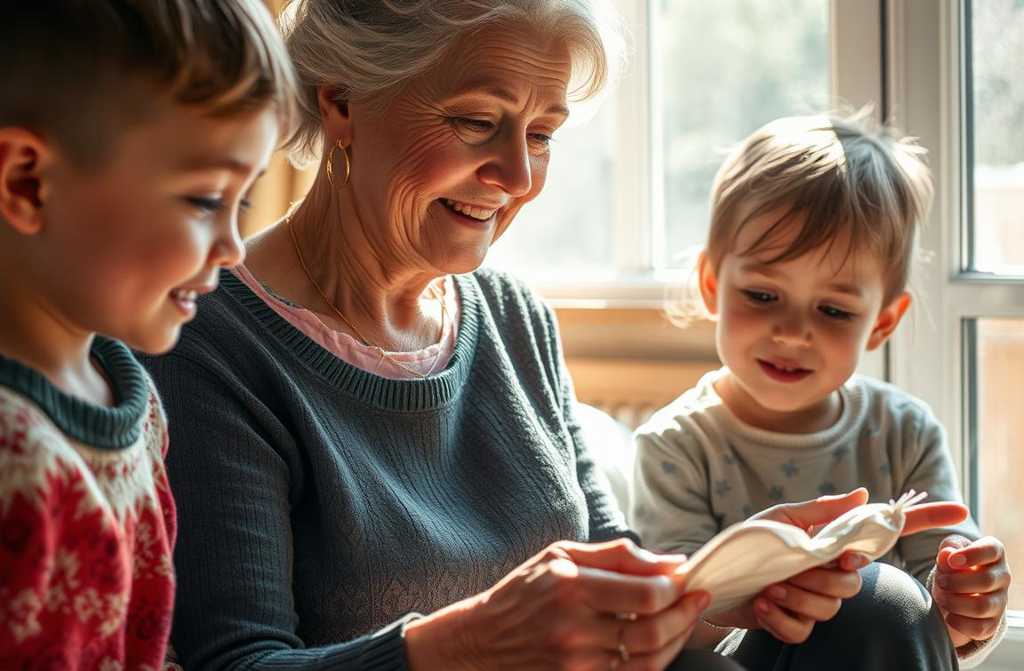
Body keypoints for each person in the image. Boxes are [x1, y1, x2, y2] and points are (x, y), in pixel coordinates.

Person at [141, 3, 967, 670]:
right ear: (342, 99)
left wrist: (729, 580)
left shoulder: (511, 317)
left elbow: (614, 562)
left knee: (877, 605)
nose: (520, 176)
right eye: (476, 122)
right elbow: (237, 659)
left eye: (541, 134)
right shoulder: (209, 337)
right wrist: (468, 641)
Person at [632, 113, 1011, 668]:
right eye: (762, 295)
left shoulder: (905, 433)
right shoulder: (675, 445)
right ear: (712, 284)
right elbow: (673, 631)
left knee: (889, 597)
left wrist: (969, 604)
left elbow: (936, 627)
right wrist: (758, 594)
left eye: (833, 310)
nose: (791, 332)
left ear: (882, 321)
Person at [0, 1, 295, 668]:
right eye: (204, 200)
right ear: (28, 182)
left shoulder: (131, 395)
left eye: (242, 203)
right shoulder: (15, 458)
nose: (233, 247)